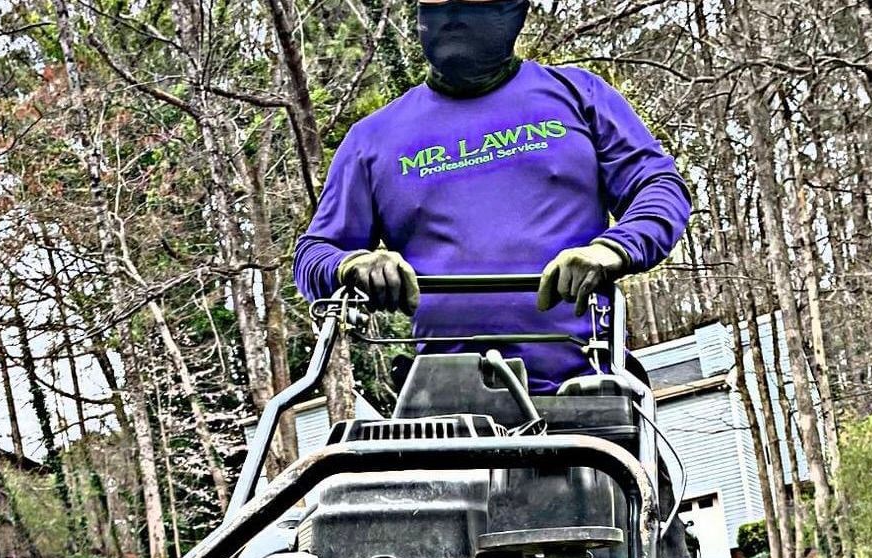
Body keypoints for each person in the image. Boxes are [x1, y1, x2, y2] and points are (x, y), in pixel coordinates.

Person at [292, 0, 691, 395]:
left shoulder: (579, 95)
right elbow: (314, 253)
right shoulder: (371, 140)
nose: (451, 12)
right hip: (443, 402)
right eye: (435, 0)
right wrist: (354, 264)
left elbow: (657, 186)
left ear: (514, 10)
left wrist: (608, 251)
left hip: (584, 383)